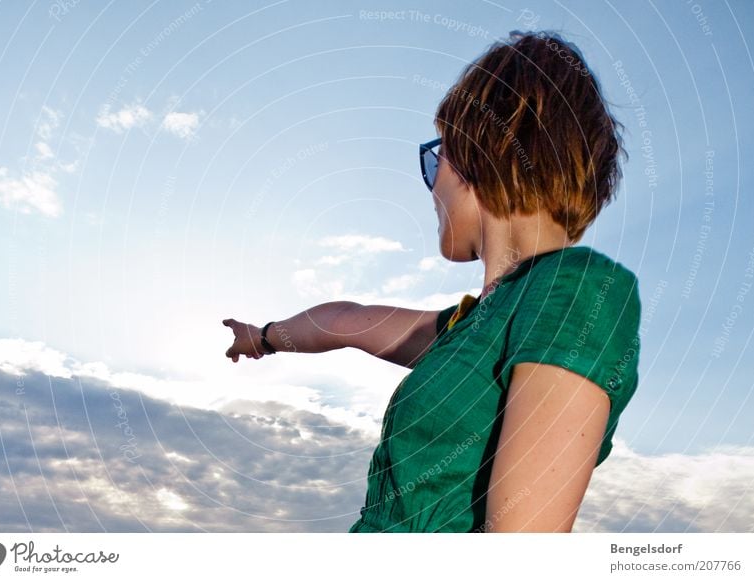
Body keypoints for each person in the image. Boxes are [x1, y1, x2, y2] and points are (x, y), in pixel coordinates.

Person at [222, 30, 641, 533]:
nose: (431, 184)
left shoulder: (578, 290)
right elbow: (348, 322)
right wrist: (264, 336)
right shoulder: (470, 328)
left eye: (434, 158)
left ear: (480, 151)